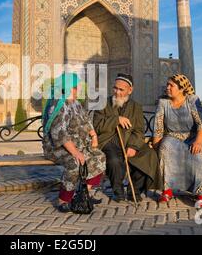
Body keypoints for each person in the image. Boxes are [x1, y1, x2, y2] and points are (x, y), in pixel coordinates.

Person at [42, 72, 106, 213]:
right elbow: (59, 133)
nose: (78, 90)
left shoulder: (75, 103)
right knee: (74, 163)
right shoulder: (58, 104)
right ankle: (64, 199)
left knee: (99, 157)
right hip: (57, 147)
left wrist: (93, 135)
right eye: (76, 87)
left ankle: (85, 194)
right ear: (68, 87)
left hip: (78, 145)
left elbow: (86, 120)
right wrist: (76, 153)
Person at [93, 74, 161, 202]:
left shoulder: (136, 107)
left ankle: (134, 190)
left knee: (149, 155)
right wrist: (116, 120)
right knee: (114, 160)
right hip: (109, 141)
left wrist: (133, 146)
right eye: (115, 88)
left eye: (121, 90)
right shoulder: (103, 103)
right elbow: (97, 126)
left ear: (130, 90)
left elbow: (139, 131)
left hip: (129, 141)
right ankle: (118, 190)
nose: (117, 92)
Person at [152, 74, 202, 203]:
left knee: (200, 153)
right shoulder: (163, 102)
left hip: (193, 137)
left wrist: (199, 141)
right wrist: (156, 147)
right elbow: (158, 128)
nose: (167, 87)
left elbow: (201, 125)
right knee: (165, 148)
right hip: (173, 137)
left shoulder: (192, 100)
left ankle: (201, 194)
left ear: (181, 88)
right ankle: (167, 190)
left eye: (171, 85)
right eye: (167, 84)